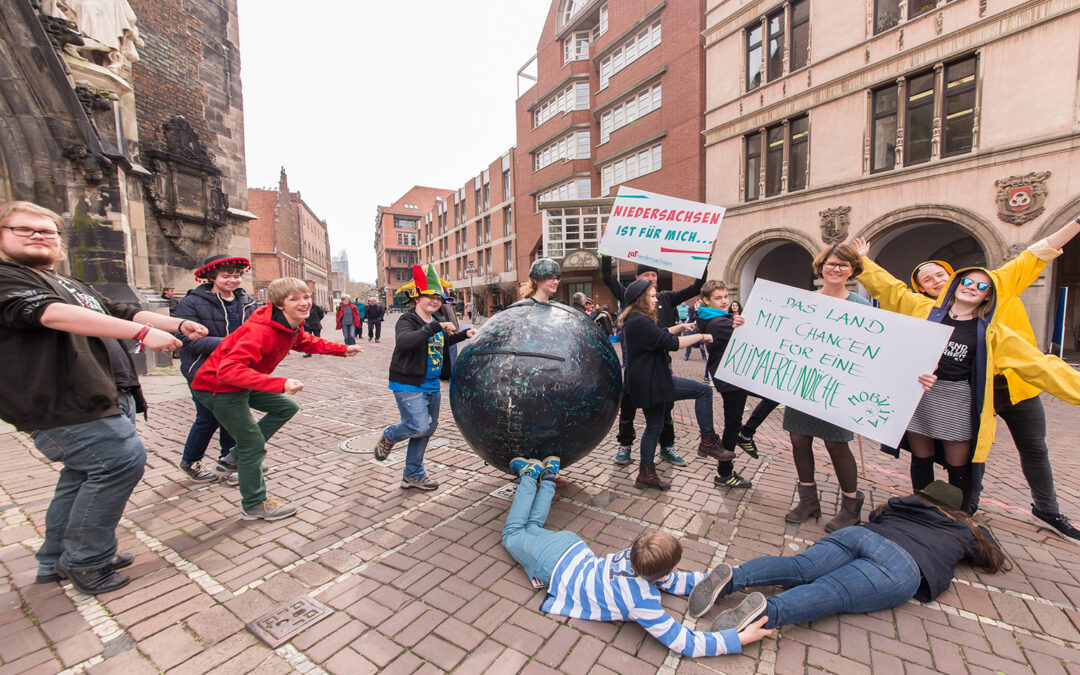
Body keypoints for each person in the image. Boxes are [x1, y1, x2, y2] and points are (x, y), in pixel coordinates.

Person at [0, 201, 207, 594]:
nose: (38, 236)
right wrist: (143, 337)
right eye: (24, 229)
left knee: (82, 474)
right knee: (119, 462)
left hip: (107, 393)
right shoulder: (8, 277)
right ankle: (87, 560)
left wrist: (176, 323)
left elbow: (122, 311)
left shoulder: (71, 282)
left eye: (47, 231)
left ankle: (57, 557)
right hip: (64, 399)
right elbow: (48, 315)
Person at [857, 217, 1080, 537]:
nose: (936, 280)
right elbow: (888, 288)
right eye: (928, 279)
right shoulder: (923, 309)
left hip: (1018, 388)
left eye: (941, 274)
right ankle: (963, 507)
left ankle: (1047, 509)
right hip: (972, 393)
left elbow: (1036, 254)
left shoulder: (996, 288)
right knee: (975, 448)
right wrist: (861, 261)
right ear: (921, 288)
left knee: (1034, 448)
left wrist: (1075, 223)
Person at [503, 455, 771, 656]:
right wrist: (738, 639)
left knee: (529, 528)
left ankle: (547, 476)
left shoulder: (630, 555)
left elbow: (671, 585)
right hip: (555, 563)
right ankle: (531, 476)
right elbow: (684, 641)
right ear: (663, 572)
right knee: (513, 534)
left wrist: (714, 580)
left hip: (571, 548)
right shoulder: (641, 601)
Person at [687, 481, 1009, 631]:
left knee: (799, 566)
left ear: (922, 496)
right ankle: (765, 611)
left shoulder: (900, 504)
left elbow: (879, 516)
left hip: (862, 535)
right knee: (832, 592)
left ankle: (736, 577)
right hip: (902, 564)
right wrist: (971, 524)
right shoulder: (964, 530)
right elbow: (992, 557)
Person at [190, 277, 362, 520]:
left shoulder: (289, 323)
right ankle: (254, 504)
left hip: (242, 382)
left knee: (286, 407)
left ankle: (234, 457)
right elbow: (228, 371)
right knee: (252, 445)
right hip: (218, 387)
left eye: (306, 297)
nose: (304, 303)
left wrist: (341, 349)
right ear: (280, 304)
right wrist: (279, 383)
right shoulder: (261, 330)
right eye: (295, 299)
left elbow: (304, 341)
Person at [783, 244, 873, 531]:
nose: (836, 269)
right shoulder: (805, 300)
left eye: (843, 265)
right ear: (821, 267)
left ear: (853, 270)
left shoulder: (860, 305)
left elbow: (871, 348)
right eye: (832, 264)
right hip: (804, 381)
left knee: (836, 443)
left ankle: (850, 507)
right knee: (799, 439)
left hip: (839, 385)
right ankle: (808, 500)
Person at [620, 279, 730, 490]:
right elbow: (671, 344)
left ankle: (645, 474)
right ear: (640, 299)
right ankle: (708, 441)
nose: (656, 299)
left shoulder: (637, 320)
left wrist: (680, 326)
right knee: (703, 391)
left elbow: (660, 334)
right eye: (652, 296)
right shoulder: (640, 322)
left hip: (647, 380)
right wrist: (701, 335)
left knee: (654, 427)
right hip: (653, 381)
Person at [374, 265, 474, 490]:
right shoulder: (407, 319)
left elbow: (439, 344)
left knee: (427, 429)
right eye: (430, 296)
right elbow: (405, 342)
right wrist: (436, 326)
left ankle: (413, 474)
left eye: (439, 298)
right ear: (418, 297)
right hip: (408, 383)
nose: (435, 301)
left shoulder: (434, 321)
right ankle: (390, 435)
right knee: (418, 426)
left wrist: (462, 335)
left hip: (431, 385)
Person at [602, 256, 707, 468]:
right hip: (638, 367)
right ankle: (625, 445)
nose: (651, 279)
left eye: (654, 275)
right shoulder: (633, 301)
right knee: (629, 407)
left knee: (664, 409)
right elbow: (607, 277)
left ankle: (667, 446)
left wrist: (705, 258)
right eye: (646, 275)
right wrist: (605, 253)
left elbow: (696, 286)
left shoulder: (665, 297)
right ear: (638, 280)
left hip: (660, 363)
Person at [174, 253, 256, 482]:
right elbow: (187, 338)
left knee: (233, 415)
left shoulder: (246, 301)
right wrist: (230, 345)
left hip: (235, 369)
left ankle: (227, 462)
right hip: (203, 369)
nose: (233, 280)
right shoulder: (192, 302)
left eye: (237, 276)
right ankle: (190, 460)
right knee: (207, 418)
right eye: (226, 276)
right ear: (213, 277)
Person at [697, 281, 753, 489]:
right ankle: (725, 473)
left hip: (738, 374)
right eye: (718, 298)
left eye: (725, 296)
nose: (724, 301)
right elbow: (747, 336)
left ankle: (746, 433)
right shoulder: (717, 323)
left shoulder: (719, 318)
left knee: (735, 423)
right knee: (732, 425)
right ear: (706, 300)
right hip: (730, 378)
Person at [302, 280, 326, 357]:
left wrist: (317, 320)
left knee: (317, 338)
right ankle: (308, 352)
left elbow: (321, 315)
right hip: (307, 324)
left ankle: (320, 349)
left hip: (315, 324)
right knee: (307, 339)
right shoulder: (303, 307)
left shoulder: (316, 307)